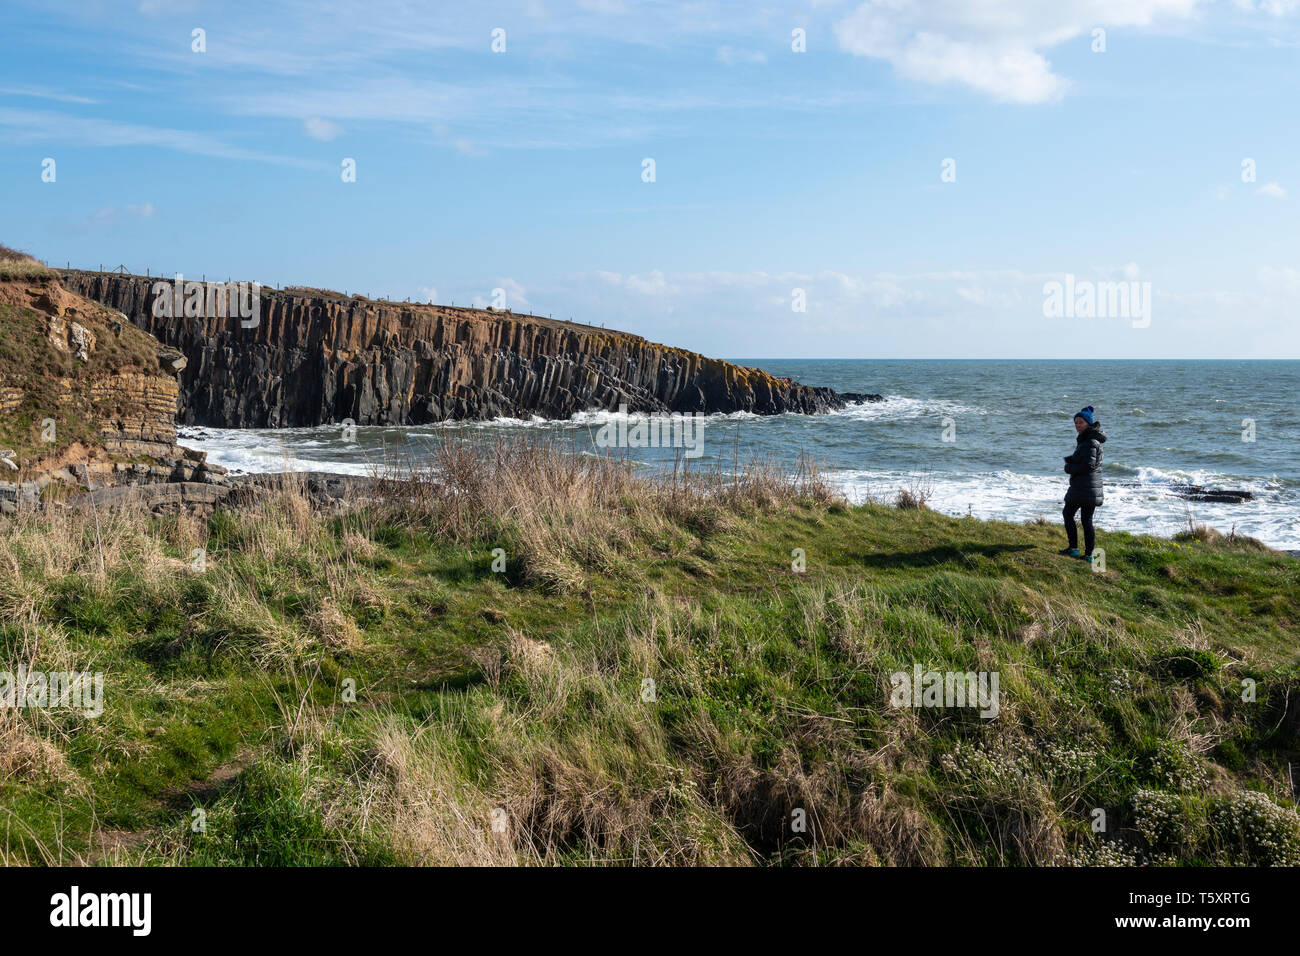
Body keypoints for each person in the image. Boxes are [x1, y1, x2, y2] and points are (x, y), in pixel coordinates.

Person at [1060, 405, 1106, 562]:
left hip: (1084, 487)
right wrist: (1073, 459)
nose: (1077, 426)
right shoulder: (1088, 440)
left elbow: (1088, 465)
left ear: (1088, 423)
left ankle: (1075, 549)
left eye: (1080, 422)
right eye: (1076, 423)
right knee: (1085, 520)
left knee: (1069, 514)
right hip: (1088, 487)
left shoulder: (1091, 442)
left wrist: (1069, 467)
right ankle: (1088, 555)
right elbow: (1088, 462)